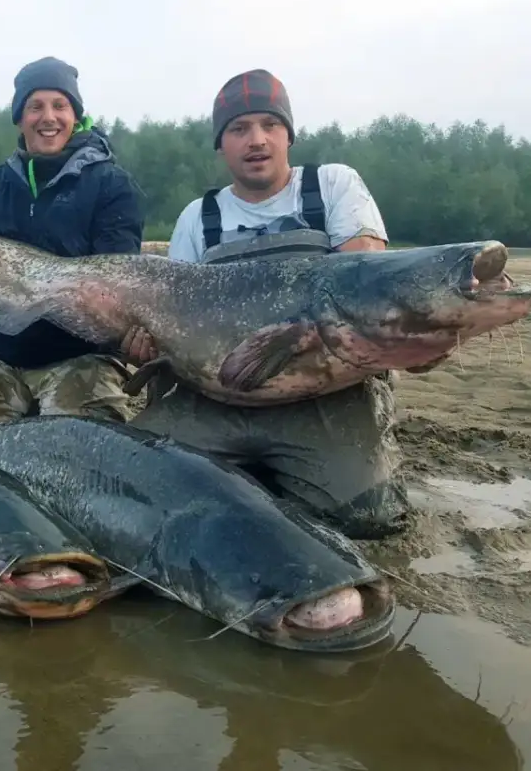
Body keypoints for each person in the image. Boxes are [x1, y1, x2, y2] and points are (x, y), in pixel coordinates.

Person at [125, 68, 410, 540]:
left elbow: (366, 286)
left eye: (269, 125)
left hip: (328, 396)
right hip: (215, 396)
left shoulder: (333, 187)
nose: (256, 140)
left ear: (289, 135)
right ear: (221, 144)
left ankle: (270, 472)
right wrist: (148, 344)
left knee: (370, 517)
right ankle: (255, 472)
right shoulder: (199, 217)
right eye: (239, 129)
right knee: (141, 485)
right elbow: (172, 314)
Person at [0, 56, 146, 435]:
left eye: (60, 106)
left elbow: (120, 285)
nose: (49, 117)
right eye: (35, 106)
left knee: (92, 446)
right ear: (19, 118)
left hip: (82, 358)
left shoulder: (113, 186)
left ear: (75, 115)